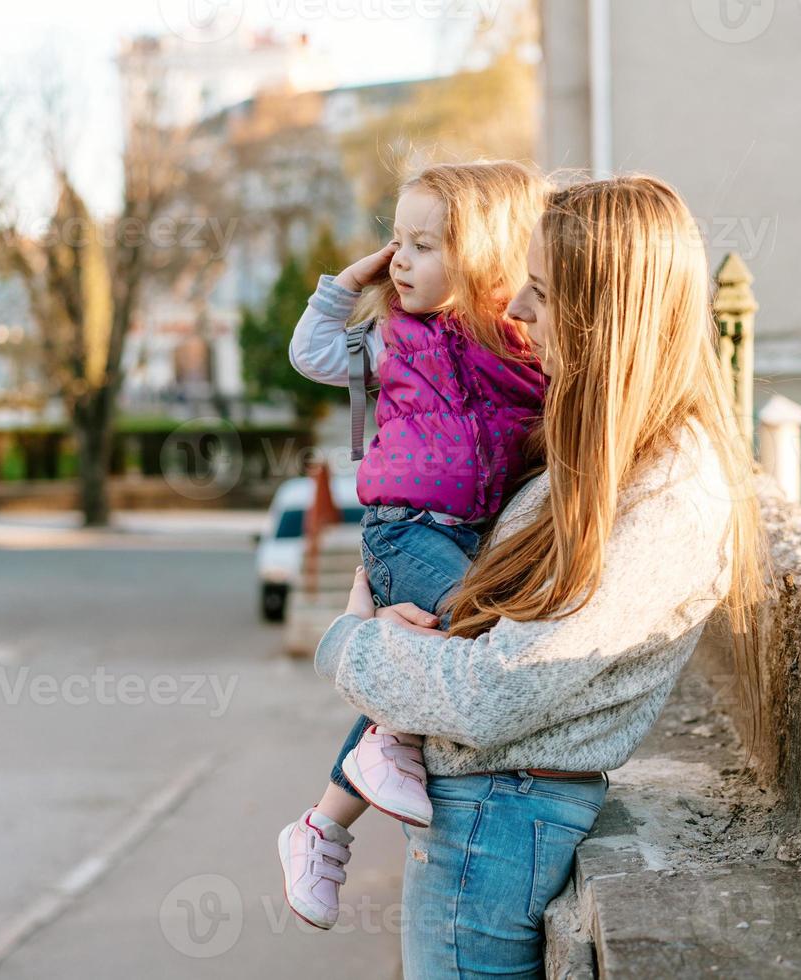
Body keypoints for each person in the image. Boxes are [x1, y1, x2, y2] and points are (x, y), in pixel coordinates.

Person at [317, 175, 773, 978]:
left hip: (498, 820)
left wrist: (350, 647)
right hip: (480, 816)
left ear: (609, 315)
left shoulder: (670, 488)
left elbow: (497, 689)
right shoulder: (595, 455)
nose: (518, 313)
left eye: (542, 291)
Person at [278, 161, 550, 931]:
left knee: (445, 648)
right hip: (404, 529)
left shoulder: (520, 346)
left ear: (486, 255)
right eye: (395, 241)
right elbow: (310, 353)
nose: (399, 259)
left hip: (471, 533)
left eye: (423, 245)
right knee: (473, 629)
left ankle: (323, 825)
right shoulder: (392, 340)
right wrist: (346, 283)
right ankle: (385, 740)